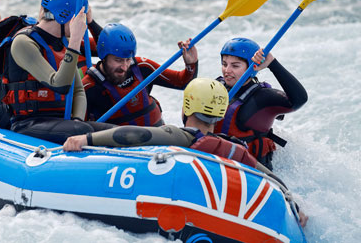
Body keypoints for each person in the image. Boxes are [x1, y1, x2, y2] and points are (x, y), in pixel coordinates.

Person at [63, 77, 308, 228]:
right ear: (220, 114)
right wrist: (294, 204)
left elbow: (134, 135)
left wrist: (86, 138)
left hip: (180, 213)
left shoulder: (182, 137)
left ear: (187, 105)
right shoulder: (235, 148)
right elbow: (270, 178)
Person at [0, 0, 114, 143]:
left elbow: (78, 92)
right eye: (80, 16)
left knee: (114, 131)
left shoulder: (62, 42)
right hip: (27, 123)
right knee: (82, 131)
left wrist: (77, 120)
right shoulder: (23, 42)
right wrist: (75, 40)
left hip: (63, 123)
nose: (82, 23)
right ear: (64, 15)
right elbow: (60, 85)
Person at [215, 37, 308, 170]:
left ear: (251, 68)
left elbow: (299, 99)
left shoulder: (262, 97)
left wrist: (272, 63)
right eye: (224, 64)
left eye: (235, 66)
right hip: (215, 162)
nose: (227, 70)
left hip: (252, 172)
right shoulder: (216, 87)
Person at [83, 23, 198, 126]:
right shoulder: (88, 87)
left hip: (160, 142)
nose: (124, 67)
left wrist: (191, 64)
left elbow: (183, 83)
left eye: (127, 60)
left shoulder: (142, 67)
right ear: (103, 56)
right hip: (124, 149)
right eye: (118, 60)